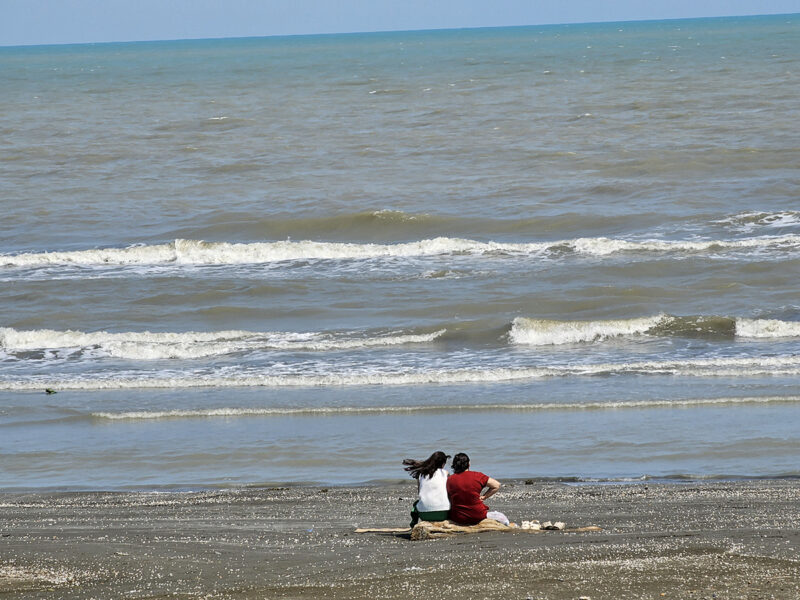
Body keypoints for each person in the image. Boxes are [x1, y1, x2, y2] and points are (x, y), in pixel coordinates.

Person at [445, 452, 509, 526]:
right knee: (500, 517)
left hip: (458, 517)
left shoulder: (450, 479)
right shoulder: (477, 476)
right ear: (469, 464)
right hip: (478, 515)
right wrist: (484, 496)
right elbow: (496, 485)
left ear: (454, 466)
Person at [402, 451, 451, 527]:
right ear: (443, 463)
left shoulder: (421, 474)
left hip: (424, 514)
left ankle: (414, 522)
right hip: (443, 513)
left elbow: (420, 493)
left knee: (416, 504)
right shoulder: (445, 473)